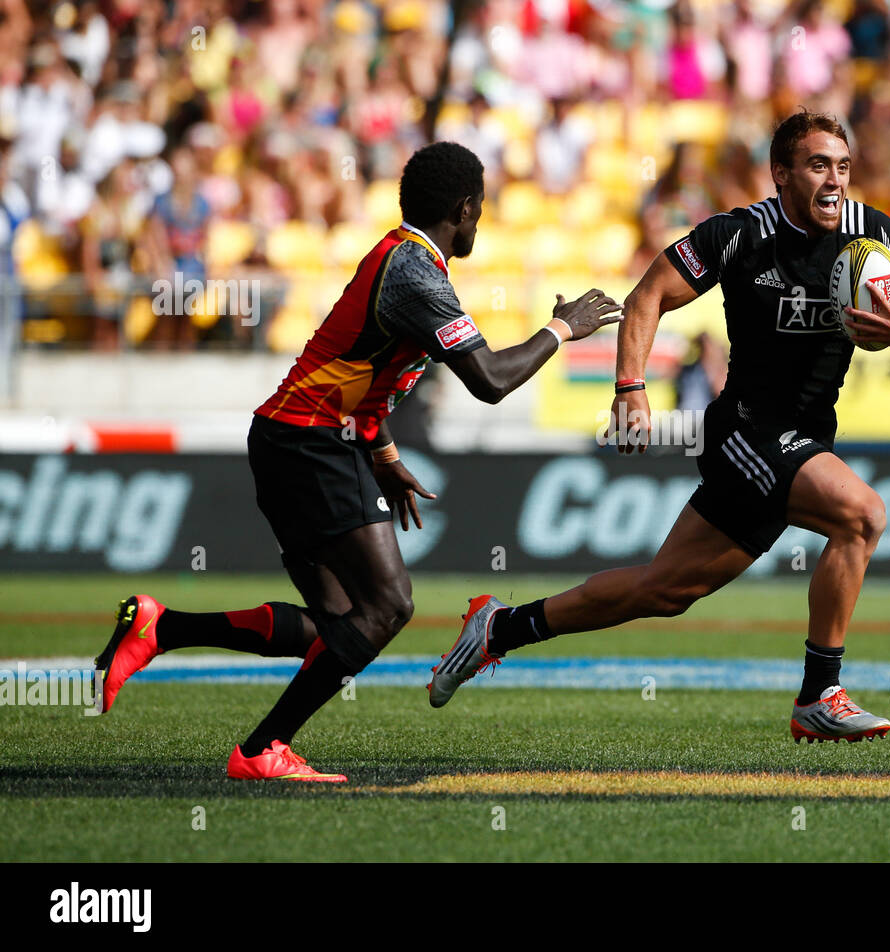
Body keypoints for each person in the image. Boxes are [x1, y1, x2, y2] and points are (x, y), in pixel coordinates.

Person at [92, 142, 621, 781]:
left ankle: (160, 627)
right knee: (389, 605)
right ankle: (262, 749)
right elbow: (488, 379)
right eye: (479, 210)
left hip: (290, 435)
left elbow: (360, 373)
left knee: (334, 626)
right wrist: (562, 329)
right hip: (311, 440)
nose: (479, 222)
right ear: (463, 208)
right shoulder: (416, 272)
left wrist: (386, 452)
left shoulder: (401, 261)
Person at [429, 111, 890, 743]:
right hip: (747, 430)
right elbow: (648, 294)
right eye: (818, 165)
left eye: (842, 166)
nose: (835, 180)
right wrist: (630, 389)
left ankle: (500, 628)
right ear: (780, 173)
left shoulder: (871, 233)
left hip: (807, 435)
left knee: (663, 590)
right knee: (861, 515)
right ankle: (820, 694)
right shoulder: (740, 234)